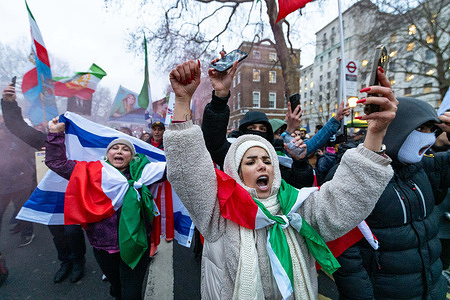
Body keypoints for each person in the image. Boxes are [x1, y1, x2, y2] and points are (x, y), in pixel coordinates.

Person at [164, 59, 397, 299]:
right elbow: (189, 170)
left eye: (266, 161)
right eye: (251, 161)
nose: (261, 165)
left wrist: (376, 133)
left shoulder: (297, 210)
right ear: (236, 170)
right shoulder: (219, 213)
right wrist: (182, 101)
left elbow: (345, 198)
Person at [330, 97, 450, 299]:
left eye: (433, 129)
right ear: (396, 127)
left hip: (431, 289)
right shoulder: (351, 174)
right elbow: (346, 257)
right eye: (422, 128)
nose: (429, 137)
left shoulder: (421, 167)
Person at [45, 118, 166, 299]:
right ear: (107, 154)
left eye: (125, 149)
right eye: (114, 148)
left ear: (132, 157)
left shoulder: (144, 173)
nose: (119, 151)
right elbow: (57, 163)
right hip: (104, 247)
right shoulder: (90, 171)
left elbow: (176, 168)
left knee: (131, 294)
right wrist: (55, 134)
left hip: (137, 244)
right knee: (117, 288)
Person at [201, 55, 349, 189]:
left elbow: (299, 183)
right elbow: (214, 140)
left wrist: (300, 162)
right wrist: (220, 98)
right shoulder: (231, 153)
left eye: (262, 129)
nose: (261, 166)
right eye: (251, 162)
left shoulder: (280, 156)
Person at [1, 84, 86, 284]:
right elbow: (17, 127)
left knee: (73, 231)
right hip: (50, 195)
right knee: (56, 231)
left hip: (73, 195)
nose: (58, 125)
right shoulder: (45, 141)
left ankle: (79, 261)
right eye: (57, 122)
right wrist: (9, 103)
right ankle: (65, 261)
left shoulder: (82, 146)